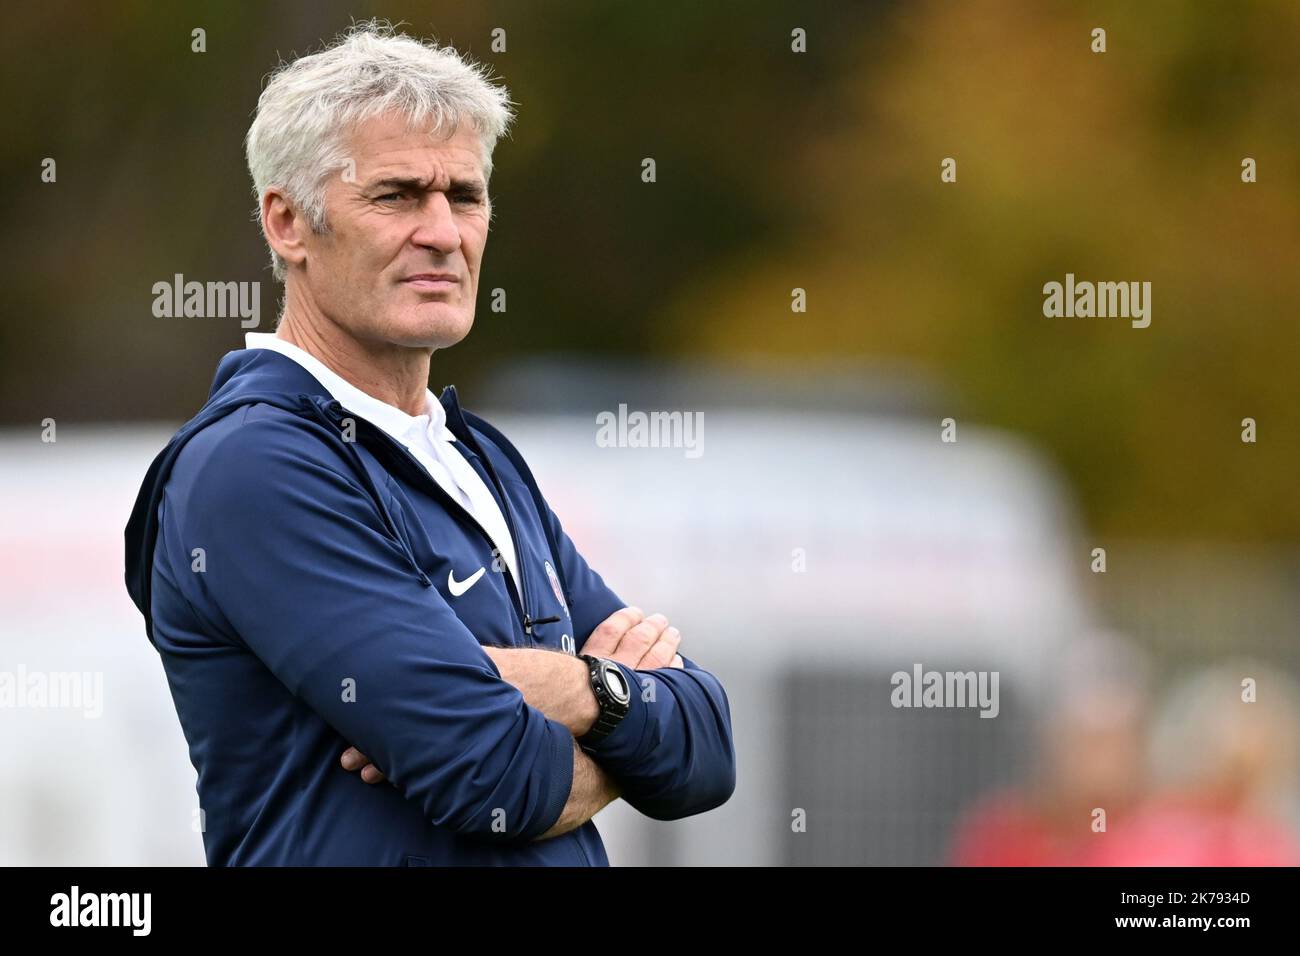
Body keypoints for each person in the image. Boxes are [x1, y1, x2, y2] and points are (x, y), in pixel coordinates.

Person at [123, 21, 735, 866]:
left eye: (466, 196)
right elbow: (494, 777)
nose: (445, 233)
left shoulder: (477, 457)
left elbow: (708, 753)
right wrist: (618, 721)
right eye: (397, 195)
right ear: (289, 223)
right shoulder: (254, 465)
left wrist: (574, 690)